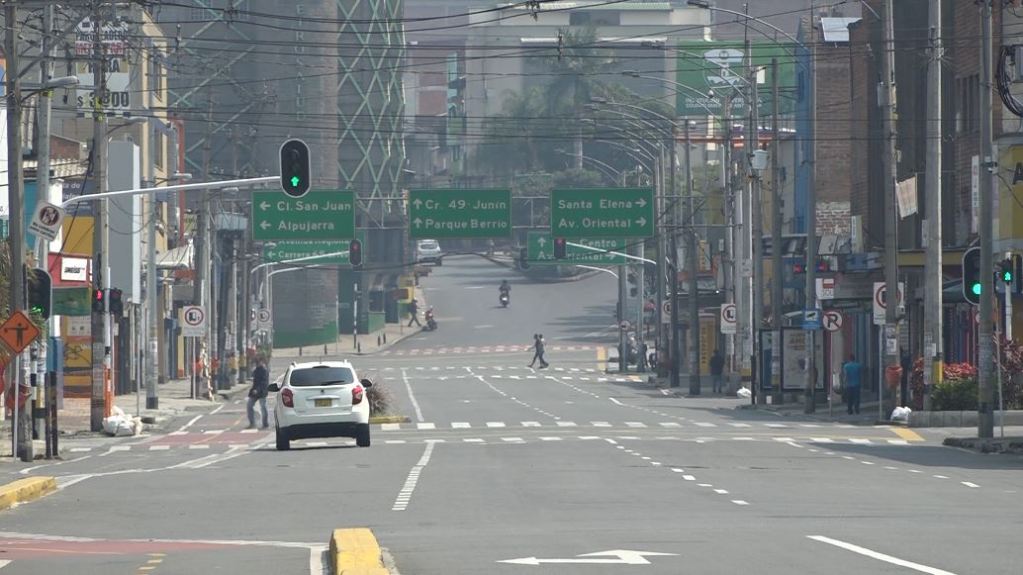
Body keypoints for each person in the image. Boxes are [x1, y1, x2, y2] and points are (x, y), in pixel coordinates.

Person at [247, 358, 270, 429]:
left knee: (263, 406)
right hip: (255, 391)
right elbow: (255, 381)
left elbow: (263, 383)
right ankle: (252, 423)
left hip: (262, 391)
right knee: (249, 405)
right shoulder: (256, 370)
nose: (257, 364)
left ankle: (265, 424)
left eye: (258, 362)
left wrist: (257, 389)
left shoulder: (264, 371)